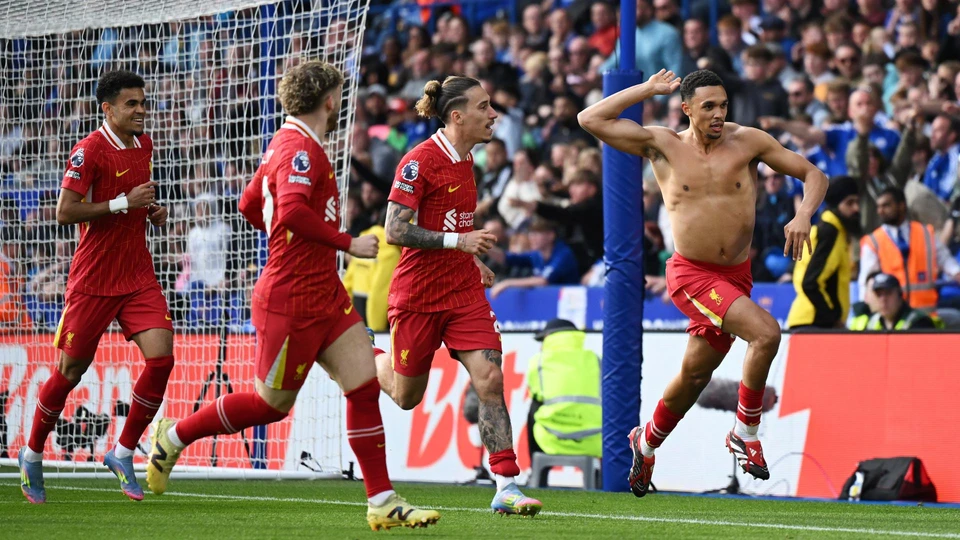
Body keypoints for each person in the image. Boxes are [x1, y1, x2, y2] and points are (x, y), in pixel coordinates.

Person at [144, 62, 439, 531]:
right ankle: (173, 436)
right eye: (339, 96)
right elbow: (292, 212)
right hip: (291, 298)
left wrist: (292, 243)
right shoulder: (299, 149)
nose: (340, 104)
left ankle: (382, 500)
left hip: (325, 294)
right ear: (328, 100)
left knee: (363, 388)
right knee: (271, 406)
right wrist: (346, 243)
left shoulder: (289, 143)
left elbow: (248, 204)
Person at [578, 69, 827, 497]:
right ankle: (746, 432)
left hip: (736, 276)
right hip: (692, 274)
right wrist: (647, 89)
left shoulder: (749, 141)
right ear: (686, 109)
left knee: (695, 376)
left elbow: (814, 175)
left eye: (723, 105)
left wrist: (803, 214)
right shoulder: (662, 144)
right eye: (708, 106)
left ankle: (646, 442)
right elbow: (590, 119)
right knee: (766, 333)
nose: (718, 114)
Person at [381, 76, 543, 516]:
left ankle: (506, 484)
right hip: (417, 296)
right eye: (484, 106)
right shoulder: (420, 161)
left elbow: (453, 222)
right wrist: (461, 243)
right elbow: (394, 229)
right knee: (406, 397)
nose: (494, 114)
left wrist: (471, 260)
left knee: (490, 379)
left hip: (463, 293)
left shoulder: (468, 160)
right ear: (457, 116)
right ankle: (369, 356)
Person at [18, 70, 174, 504]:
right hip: (93, 280)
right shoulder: (88, 151)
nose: (141, 110)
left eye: (143, 102)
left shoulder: (143, 144)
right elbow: (64, 212)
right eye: (131, 104)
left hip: (137, 274)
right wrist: (125, 202)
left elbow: (133, 200)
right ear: (107, 108)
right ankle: (32, 454)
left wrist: (151, 212)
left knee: (162, 359)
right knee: (70, 372)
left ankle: (122, 452)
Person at [858, 187, 960, 312]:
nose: (880, 211)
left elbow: (948, 263)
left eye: (886, 205)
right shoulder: (874, 241)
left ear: (901, 206)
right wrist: (865, 309)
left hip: (925, 314)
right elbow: (866, 282)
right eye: (878, 206)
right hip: (893, 315)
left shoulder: (925, 233)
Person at [787, 176, 861, 329]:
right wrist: (832, 319)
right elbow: (810, 282)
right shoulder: (830, 232)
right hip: (815, 323)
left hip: (810, 322)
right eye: (849, 203)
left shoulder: (831, 230)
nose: (856, 208)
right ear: (835, 205)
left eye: (857, 202)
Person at [525, 319, 601, 466]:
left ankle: (536, 470)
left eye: (542, 341)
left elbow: (535, 394)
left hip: (552, 437)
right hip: (593, 438)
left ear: (548, 337)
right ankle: (602, 476)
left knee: (535, 407)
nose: (541, 346)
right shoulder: (596, 359)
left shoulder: (539, 362)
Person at [860, 273, 936, 330]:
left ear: (899, 294)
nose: (883, 299)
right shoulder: (872, 322)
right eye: (879, 294)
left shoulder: (920, 322)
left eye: (888, 293)